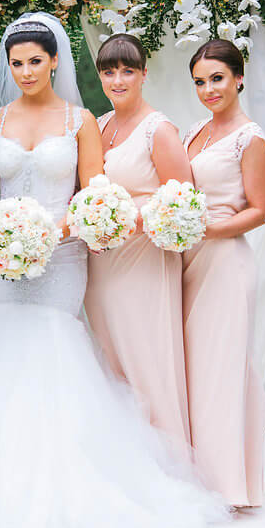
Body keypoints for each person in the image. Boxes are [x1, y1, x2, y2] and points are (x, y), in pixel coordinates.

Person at [0, 14, 230, 528]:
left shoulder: (80, 121)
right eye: (16, 63)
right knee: (1, 353)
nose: (25, 71)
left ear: (54, 63)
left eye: (35, 62)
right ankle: (0, 486)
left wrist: (48, 231)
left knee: (55, 353)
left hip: (62, 254)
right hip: (1, 260)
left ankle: (69, 481)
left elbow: (92, 193)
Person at [84, 34, 193, 452]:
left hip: (144, 261)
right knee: (113, 361)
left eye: (127, 70)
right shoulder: (100, 124)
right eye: (109, 71)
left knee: (147, 360)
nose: (118, 79)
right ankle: (129, 463)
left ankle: (169, 462)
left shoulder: (158, 129)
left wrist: (126, 222)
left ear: (144, 74)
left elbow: (181, 198)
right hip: (103, 265)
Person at [181, 39, 265, 508]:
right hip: (189, 262)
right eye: (199, 81)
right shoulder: (197, 130)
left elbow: (260, 210)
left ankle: (229, 488)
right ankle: (197, 479)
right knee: (193, 372)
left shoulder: (249, 137)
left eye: (217, 78)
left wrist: (209, 229)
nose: (208, 89)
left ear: (238, 78)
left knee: (221, 372)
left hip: (226, 263)